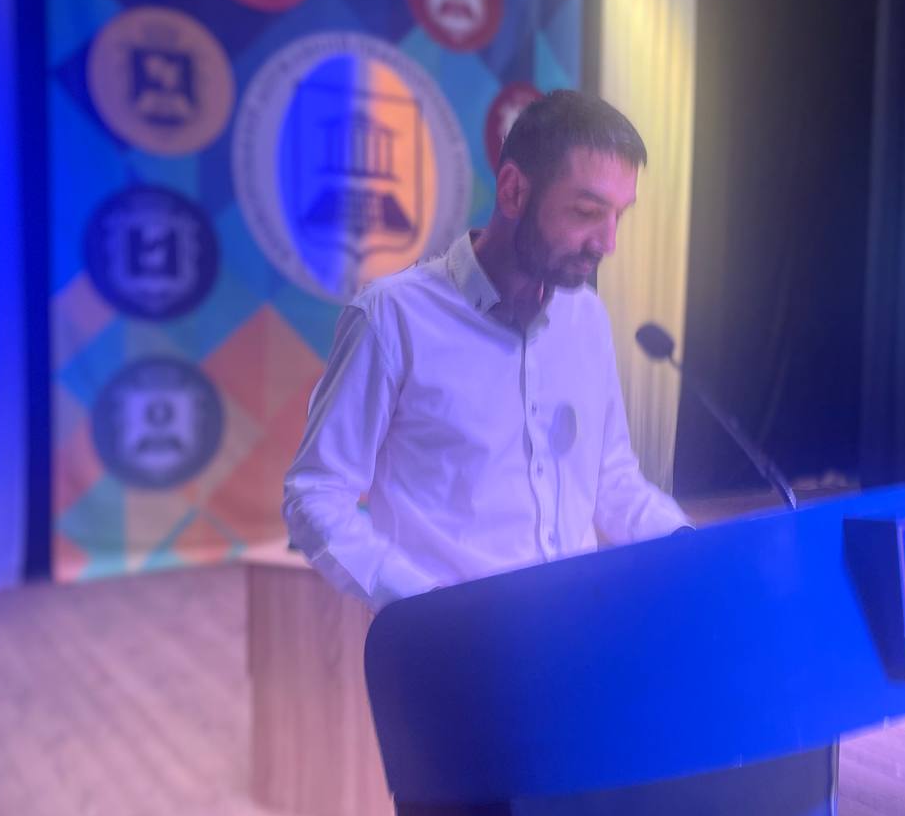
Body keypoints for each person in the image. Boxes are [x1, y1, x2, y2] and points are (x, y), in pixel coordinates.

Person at [283, 89, 690, 614]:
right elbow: (316, 494)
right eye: (588, 211)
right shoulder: (392, 318)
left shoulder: (587, 318)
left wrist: (692, 546)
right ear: (514, 190)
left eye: (619, 215)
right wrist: (424, 603)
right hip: (452, 641)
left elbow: (611, 480)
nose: (606, 242)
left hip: (579, 628)